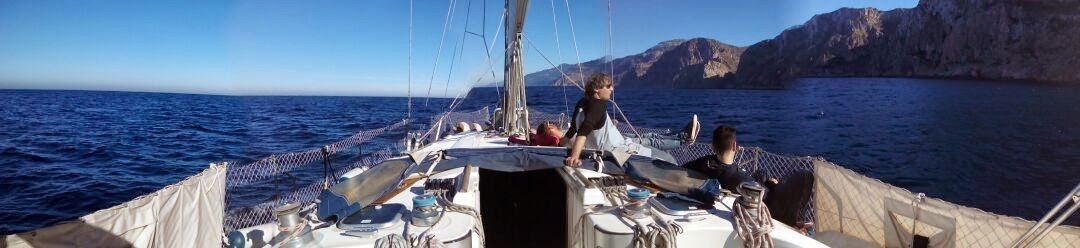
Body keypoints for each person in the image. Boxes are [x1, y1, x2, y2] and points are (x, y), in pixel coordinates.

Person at [682, 125, 814, 232]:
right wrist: (773, 184)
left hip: (729, 184)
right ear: (735, 146)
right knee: (805, 176)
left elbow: (684, 167)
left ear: (712, 147)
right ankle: (796, 222)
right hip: (768, 206)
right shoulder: (739, 177)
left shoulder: (705, 163)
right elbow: (766, 196)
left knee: (762, 172)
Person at [562, 73, 699, 166]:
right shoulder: (598, 105)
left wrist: (559, 145)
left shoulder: (582, 103)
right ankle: (685, 139)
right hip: (618, 150)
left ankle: (684, 136)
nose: (612, 89)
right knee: (668, 159)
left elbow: (573, 128)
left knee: (647, 137)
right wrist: (575, 156)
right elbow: (583, 131)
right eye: (609, 86)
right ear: (597, 89)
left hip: (617, 141)